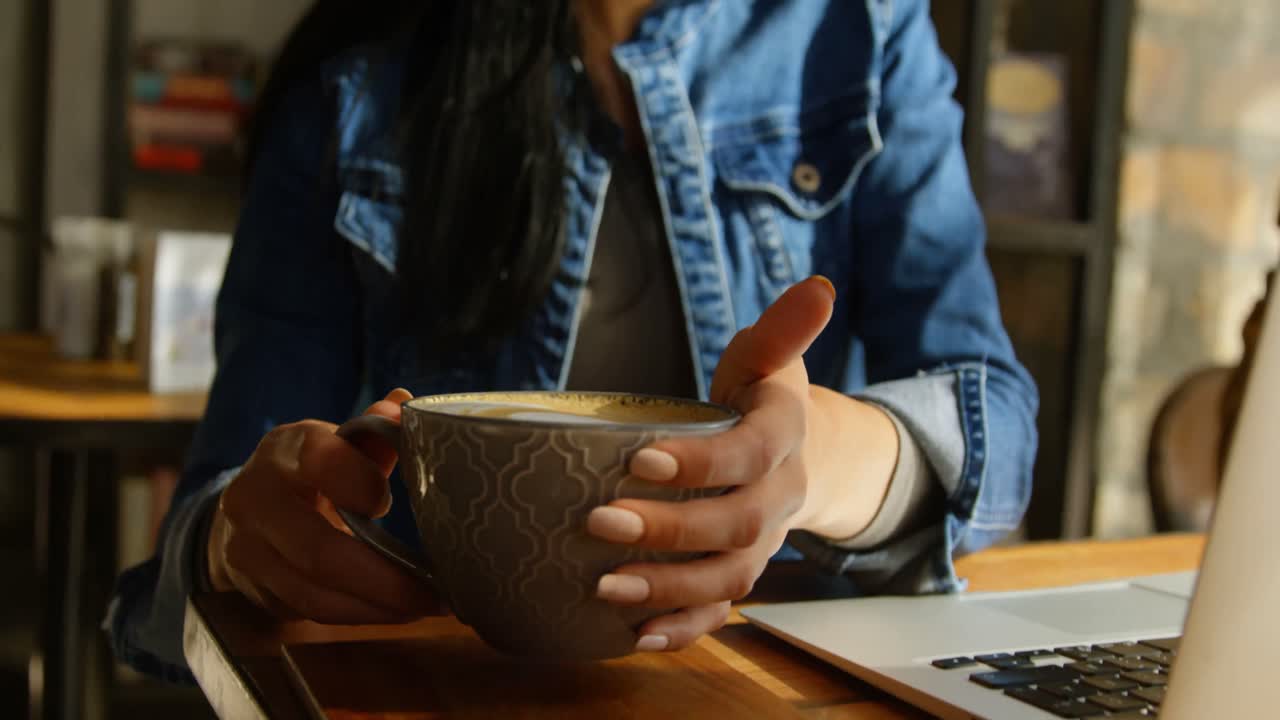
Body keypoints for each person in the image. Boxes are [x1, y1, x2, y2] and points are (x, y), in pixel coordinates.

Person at [108, 0, 1038, 681]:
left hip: (767, 685)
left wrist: (814, 462)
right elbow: (214, 516)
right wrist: (234, 547)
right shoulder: (360, 70)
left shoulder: (860, 33)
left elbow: (997, 427)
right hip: (446, 688)